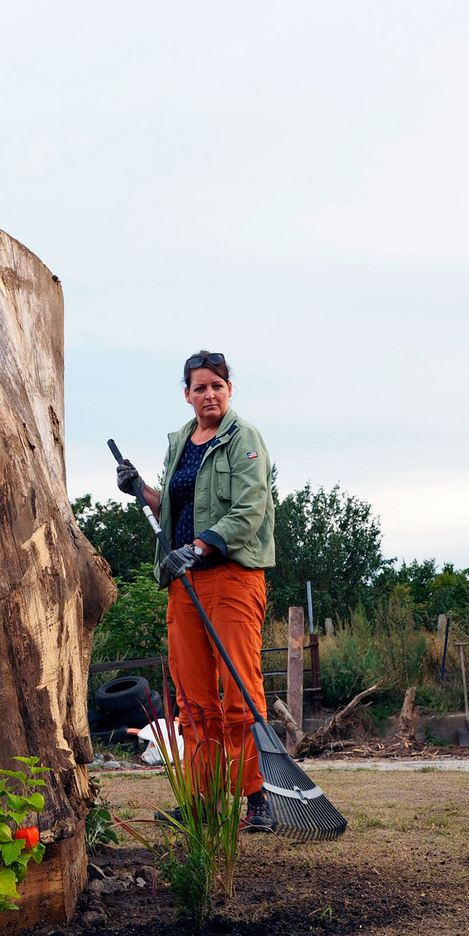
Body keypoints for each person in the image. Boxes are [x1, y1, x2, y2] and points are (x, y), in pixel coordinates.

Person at [115, 350, 276, 831]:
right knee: (193, 699)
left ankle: (259, 800)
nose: (209, 395)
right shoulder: (181, 443)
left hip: (230, 577)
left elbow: (250, 508)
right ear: (186, 395)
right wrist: (141, 489)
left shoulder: (243, 437)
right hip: (183, 581)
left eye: (217, 386)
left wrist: (201, 547)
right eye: (200, 388)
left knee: (239, 693)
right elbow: (176, 506)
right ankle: (204, 801)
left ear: (230, 391)